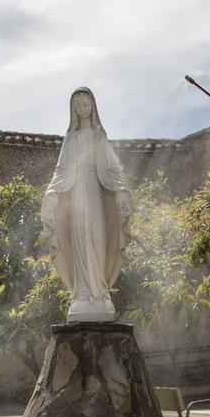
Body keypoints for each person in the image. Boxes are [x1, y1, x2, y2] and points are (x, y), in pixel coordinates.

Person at [41, 87, 133, 322]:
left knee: (98, 239)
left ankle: (100, 292)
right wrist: (52, 194)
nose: (82, 108)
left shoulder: (99, 136)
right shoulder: (71, 138)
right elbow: (60, 171)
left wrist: (121, 190)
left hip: (95, 192)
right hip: (77, 194)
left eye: (85, 103)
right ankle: (82, 292)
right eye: (78, 104)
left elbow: (112, 169)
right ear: (72, 109)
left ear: (93, 106)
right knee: (80, 240)